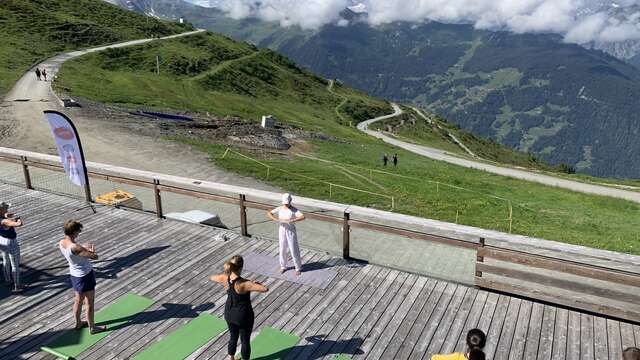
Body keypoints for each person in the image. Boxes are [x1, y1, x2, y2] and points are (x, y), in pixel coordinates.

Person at [210, 255, 268, 360]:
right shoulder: (244, 284)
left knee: (233, 337)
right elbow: (265, 289)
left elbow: (212, 277)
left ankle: (231, 358)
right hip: (243, 316)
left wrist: (220, 277)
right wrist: (257, 283)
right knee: (245, 340)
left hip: (229, 313)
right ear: (241, 268)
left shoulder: (224, 278)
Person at [59, 220, 105, 334]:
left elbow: (77, 252)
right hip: (85, 276)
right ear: (74, 232)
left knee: (78, 300)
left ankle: (78, 323)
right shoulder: (75, 247)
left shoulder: (62, 242)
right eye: (78, 231)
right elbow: (95, 256)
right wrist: (91, 250)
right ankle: (92, 328)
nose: (79, 233)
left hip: (74, 275)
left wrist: (84, 248)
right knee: (89, 302)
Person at [267, 193, 305, 276]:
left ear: (290, 201)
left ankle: (298, 267)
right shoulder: (280, 208)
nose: (286, 204)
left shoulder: (294, 210)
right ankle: (283, 266)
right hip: (282, 230)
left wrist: (292, 220)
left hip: (291, 231)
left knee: (293, 249)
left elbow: (302, 216)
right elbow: (269, 213)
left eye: (287, 203)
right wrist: (276, 219)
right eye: (285, 203)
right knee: (282, 248)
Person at [0, 202, 24, 292]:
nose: (7, 209)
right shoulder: (4, 221)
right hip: (11, 242)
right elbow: (18, 224)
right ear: (1, 210)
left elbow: (4, 216)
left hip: (2, 241)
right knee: (15, 265)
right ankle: (17, 286)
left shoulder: (2, 217)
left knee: (6, 260)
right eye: (5, 208)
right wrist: (18, 220)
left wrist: (6, 214)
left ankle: (7, 280)